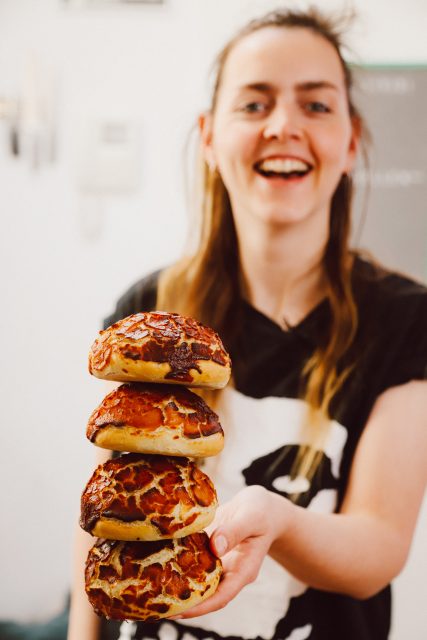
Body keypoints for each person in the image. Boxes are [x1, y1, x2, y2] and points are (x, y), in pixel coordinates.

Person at [67, 7, 427, 640]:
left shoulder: (405, 320)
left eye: (316, 106)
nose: (283, 126)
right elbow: (103, 516)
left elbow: (378, 547)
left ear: (350, 141)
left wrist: (280, 521)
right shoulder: (149, 321)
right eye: (254, 105)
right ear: (208, 137)